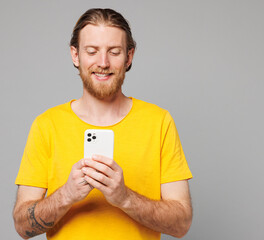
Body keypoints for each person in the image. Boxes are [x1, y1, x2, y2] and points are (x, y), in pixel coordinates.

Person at [13, 8, 193, 240]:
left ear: (129, 57)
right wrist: (67, 194)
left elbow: (182, 225)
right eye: (92, 51)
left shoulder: (159, 122)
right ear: (75, 55)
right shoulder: (46, 125)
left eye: (114, 52)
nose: (103, 62)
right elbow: (22, 226)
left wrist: (124, 198)